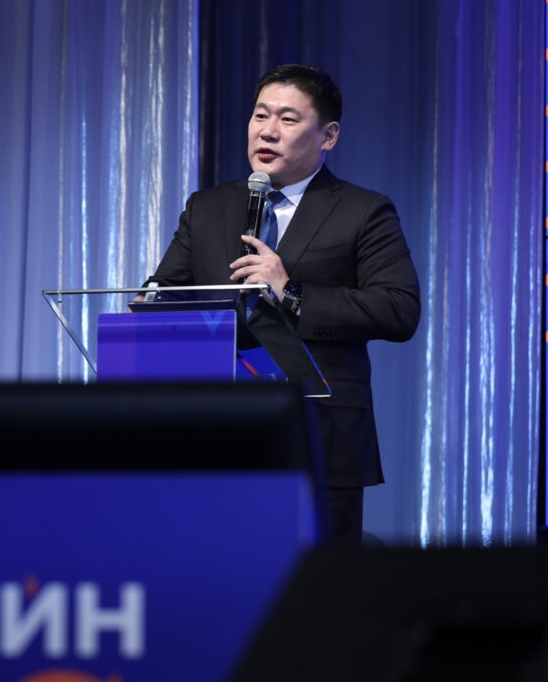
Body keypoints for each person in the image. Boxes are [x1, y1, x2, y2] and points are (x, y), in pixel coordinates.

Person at [144, 64, 420, 542]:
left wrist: (290, 292)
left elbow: (398, 309)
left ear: (328, 135)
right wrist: (147, 304)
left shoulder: (363, 210)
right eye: (260, 115)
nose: (267, 131)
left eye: (288, 119)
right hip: (213, 436)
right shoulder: (207, 207)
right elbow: (162, 296)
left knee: (321, 582)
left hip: (321, 437)